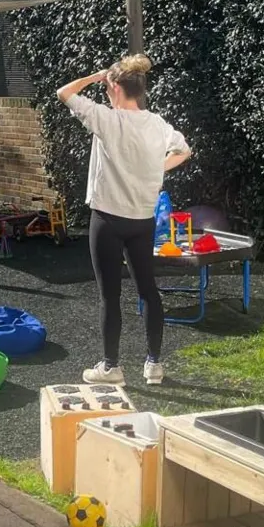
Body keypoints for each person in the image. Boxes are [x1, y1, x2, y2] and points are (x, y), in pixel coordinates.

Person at [56, 54, 192, 386]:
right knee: (149, 291)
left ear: (115, 87)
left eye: (107, 88)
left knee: (110, 295)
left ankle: (111, 367)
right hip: (142, 221)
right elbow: (184, 150)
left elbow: (64, 92)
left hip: (108, 220)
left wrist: (95, 76)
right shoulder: (158, 124)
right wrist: (156, 168)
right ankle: (154, 365)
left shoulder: (105, 119)